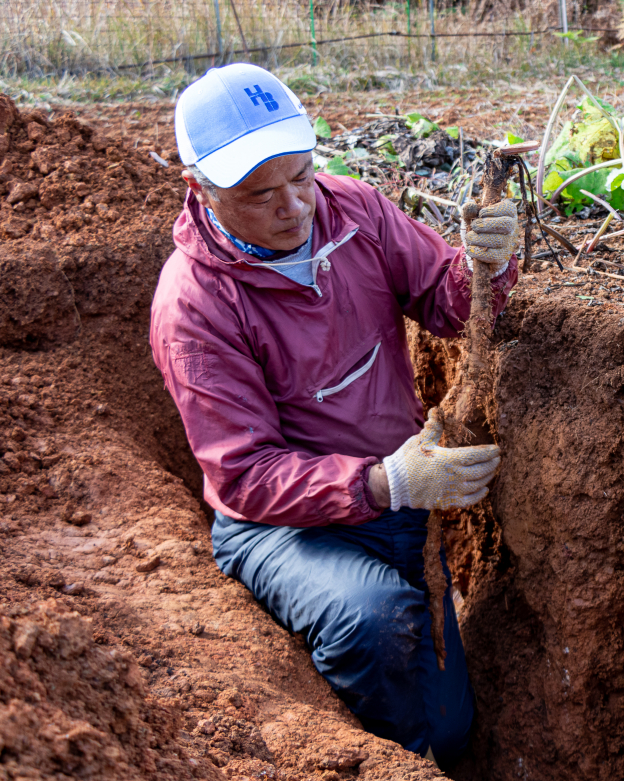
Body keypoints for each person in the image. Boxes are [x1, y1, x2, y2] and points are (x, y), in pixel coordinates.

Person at [148, 63, 520, 765]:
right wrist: (388, 484)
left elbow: (446, 299)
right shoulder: (193, 305)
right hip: (283, 528)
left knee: (453, 729)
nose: (294, 206)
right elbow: (246, 475)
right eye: (262, 194)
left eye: (302, 176)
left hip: (398, 491)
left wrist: (483, 268)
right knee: (372, 619)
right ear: (199, 189)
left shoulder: (353, 209)